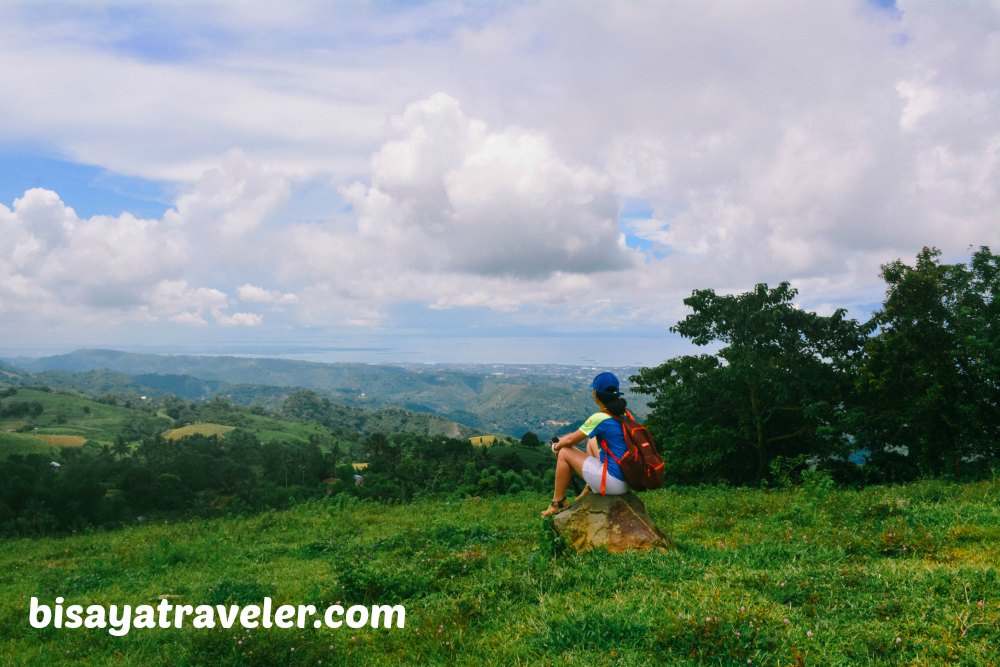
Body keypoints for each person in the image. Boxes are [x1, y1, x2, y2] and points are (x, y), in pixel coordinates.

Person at [541, 371, 631, 517]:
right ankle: (589, 488)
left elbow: (571, 440)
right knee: (591, 442)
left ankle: (557, 502)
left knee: (564, 452)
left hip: (613, 482)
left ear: (595, 393)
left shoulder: (600, 418)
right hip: (626, 479)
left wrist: (555, 446)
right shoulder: (624, 414)